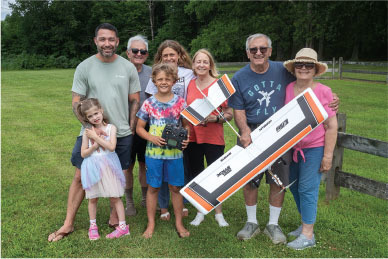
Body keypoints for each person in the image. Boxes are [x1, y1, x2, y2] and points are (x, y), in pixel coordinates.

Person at [228, 33, 339, 244]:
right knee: (250, 179)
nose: (258, 53)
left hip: (281, 134)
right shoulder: (239, 77)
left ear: (270, 51)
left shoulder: (283, 71)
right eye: (253, 50)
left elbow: (309, 83)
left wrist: (332, 99)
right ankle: (251, 223)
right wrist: (244, 131)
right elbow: (238, 108)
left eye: (263, 49)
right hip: (251, 132)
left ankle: (273, 224)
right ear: (247, 53)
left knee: (278, 180)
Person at [48, 23, 140, 242]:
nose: (107, 43)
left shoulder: (128, 68)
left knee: (118, 174)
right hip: (90, 132)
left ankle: (113, 218)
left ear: (117, 42)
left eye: (111, 39)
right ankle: (68, 223)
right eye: (102, 39)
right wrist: (90, 129)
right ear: (95, 41)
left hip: (121, 133)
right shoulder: (84, 67)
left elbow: (134, 100)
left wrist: (130, 127)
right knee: (80, 176)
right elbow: (76, 103)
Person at [282, 48, 337, 250]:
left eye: (308, 65)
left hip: (314, 148)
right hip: (294, 149)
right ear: (294, 68)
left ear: (315, 69)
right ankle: (305, 223)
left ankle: (308, 235)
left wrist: (328, 156)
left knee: (308, 189)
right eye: (299, 64)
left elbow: (331, 126)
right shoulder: (288, 89)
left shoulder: (324, 92)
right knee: (295, 187)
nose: (303, 68)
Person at [136, 63, 190, 238]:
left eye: (167, 79)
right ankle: (151, 224)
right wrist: (151, 138)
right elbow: (139, 128)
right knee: (153, 187)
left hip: (174, 154)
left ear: (174, 81)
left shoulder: (181, 102)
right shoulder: (149, 103)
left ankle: (179, 223)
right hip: (153, 154)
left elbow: (187, 125)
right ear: (154, 81)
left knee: (175, 187)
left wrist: (186, 138)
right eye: (160, 79)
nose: (164, 82)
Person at [145, 40, 194, 221]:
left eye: (172, 54)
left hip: (178, 129)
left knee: (179, 171)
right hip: (158, 134)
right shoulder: (155, 79)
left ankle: (181, 206)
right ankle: (163, 206)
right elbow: (151, 103)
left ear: (179, 55)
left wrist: (186, 132)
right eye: (165, 55)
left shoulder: (188, 73)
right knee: (160, 176)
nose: (169, 58)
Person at [184, 49, 233, 227]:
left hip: (213, 136)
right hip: (193, 137)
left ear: (210, 64)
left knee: (216, 175)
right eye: (198, 61)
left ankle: (219, 213)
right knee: (197, 174)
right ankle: (200, 211)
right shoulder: (190, 84)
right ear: (193, 64)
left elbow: (229, 114)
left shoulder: (219, 85)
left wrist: (215, 118)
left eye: (205, 62)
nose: (202, 65)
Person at [78, 98, 129, 240]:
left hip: (108, 165)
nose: (94, 117)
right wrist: (93, 145)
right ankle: (92, 226)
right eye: (90, 116)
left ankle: (123, 227)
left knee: (115, 197)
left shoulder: (111, 128)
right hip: (92, 166)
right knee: (92, 197)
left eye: (96, 113)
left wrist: (96, 137)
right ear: (86, 118)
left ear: (101, 110)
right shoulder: (87, 132)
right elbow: (83, 153)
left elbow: (111, 147)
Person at [124, 35, 152, 216]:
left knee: (144, 164)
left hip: (146, 126)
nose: (139, 54)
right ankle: (129, 202)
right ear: (128, 53)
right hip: (124, 127)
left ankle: (144, 198)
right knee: (127, 165)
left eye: (143, 51)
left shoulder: (152, 72)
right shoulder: (120, 70)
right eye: (135, 51)